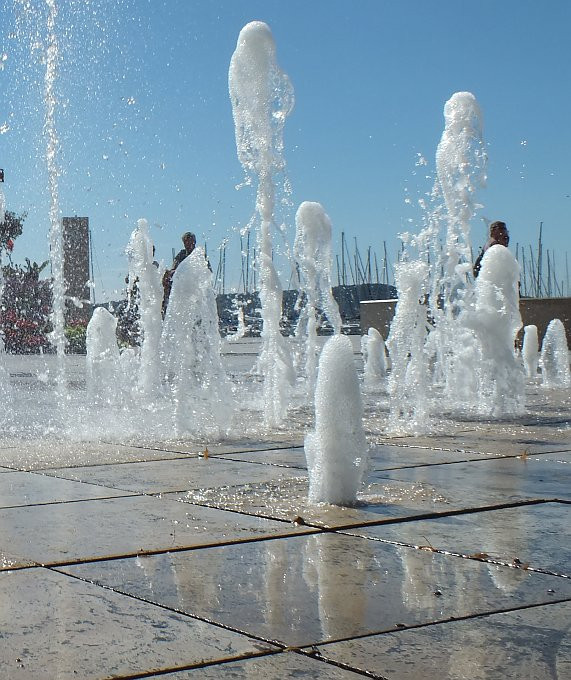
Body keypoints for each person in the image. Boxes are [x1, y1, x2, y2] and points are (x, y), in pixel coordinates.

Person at [162, 231, 196, 315]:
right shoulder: (182, 254)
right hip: (182, 285)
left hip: (194, 286)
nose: (188, 244)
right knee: (166, 276)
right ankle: (164, 306)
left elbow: (208, 272)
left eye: (190, 241)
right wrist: (170, 272)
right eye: (186, 241)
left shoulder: (199, 254)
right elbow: (174, 266)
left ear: (194, 241)